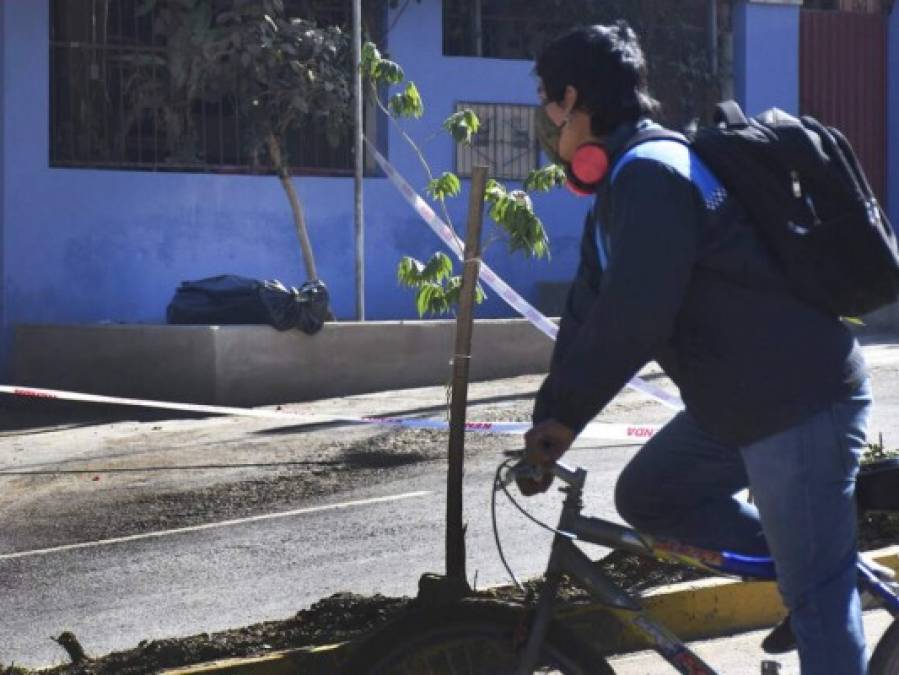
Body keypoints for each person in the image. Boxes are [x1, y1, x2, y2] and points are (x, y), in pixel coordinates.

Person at [519, 22, 872, 675]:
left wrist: (567, 414)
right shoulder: (619, 189)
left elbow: (634, 314)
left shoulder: (653, 174)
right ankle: (811, 555)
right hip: (739, 404)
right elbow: (585, 315)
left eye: (546, 104)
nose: (545, 125)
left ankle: (815, 576)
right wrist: (548, 417)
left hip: (798, 399)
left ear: (573, 100)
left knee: (818, 604)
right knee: (653, 493)